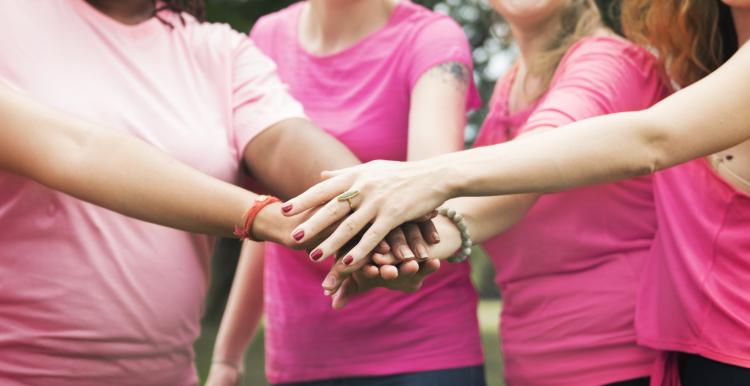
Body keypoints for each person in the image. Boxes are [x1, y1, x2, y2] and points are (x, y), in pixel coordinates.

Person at [284, 1, 750, 385]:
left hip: (625, 360)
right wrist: (409, 245)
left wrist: (428, 179)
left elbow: (615, 145)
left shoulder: (609, 62)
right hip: (560, 358)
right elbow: (498, 200)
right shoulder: (514, 84)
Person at [0, 1, 433, 384]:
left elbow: (283, 139)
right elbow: (74, 152)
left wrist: (375, 220)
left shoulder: (219, 50)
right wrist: (263, 216)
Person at [207, 1, 484, 385]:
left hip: (422, 352)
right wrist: (226, 357)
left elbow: (431, 189)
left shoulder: (432, 38)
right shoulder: (267, 37)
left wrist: (403, 259)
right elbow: (276, 216)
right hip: (301, 353)